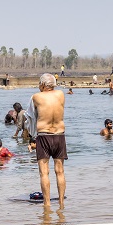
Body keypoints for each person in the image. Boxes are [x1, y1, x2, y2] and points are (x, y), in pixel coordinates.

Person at [26, 73, 67, 208]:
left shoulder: (36, 97)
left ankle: (47, 204)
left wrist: (31, 134)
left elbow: (30, 117)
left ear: (43, 85)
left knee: (44, 172)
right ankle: (61, 203)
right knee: (60, 171)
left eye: (39, 84)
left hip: (44, 136)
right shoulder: (61, 94)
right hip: (60, 135)